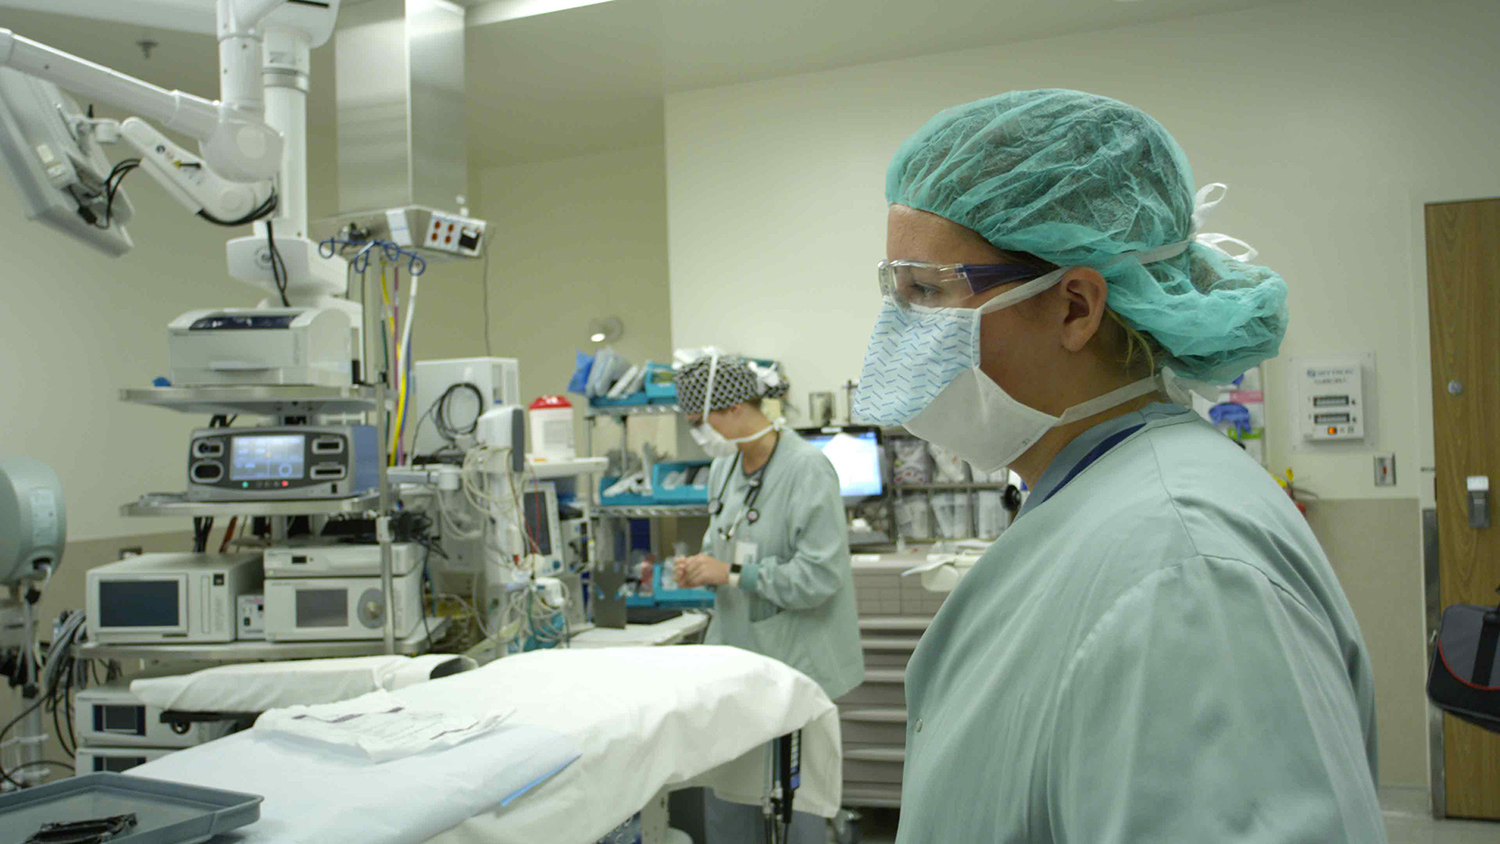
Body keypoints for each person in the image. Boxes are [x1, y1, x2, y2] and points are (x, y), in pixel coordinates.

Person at [852, 90, 1386, 842]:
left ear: (1076, 306)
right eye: (892, 290)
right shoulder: (1097, 497)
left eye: (927, 291)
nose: (896, 328)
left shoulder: (1185, 567)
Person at [672, 352, 864, 843]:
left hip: (793, 664)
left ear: (735, 407)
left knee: (793, 810)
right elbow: (724, 544)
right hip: (735, 659)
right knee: (729, 798)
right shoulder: (724, 470)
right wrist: (700, 567)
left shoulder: (807, 470)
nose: (699, 432)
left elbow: (820, 576)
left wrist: (734, 573)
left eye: (701, 420)